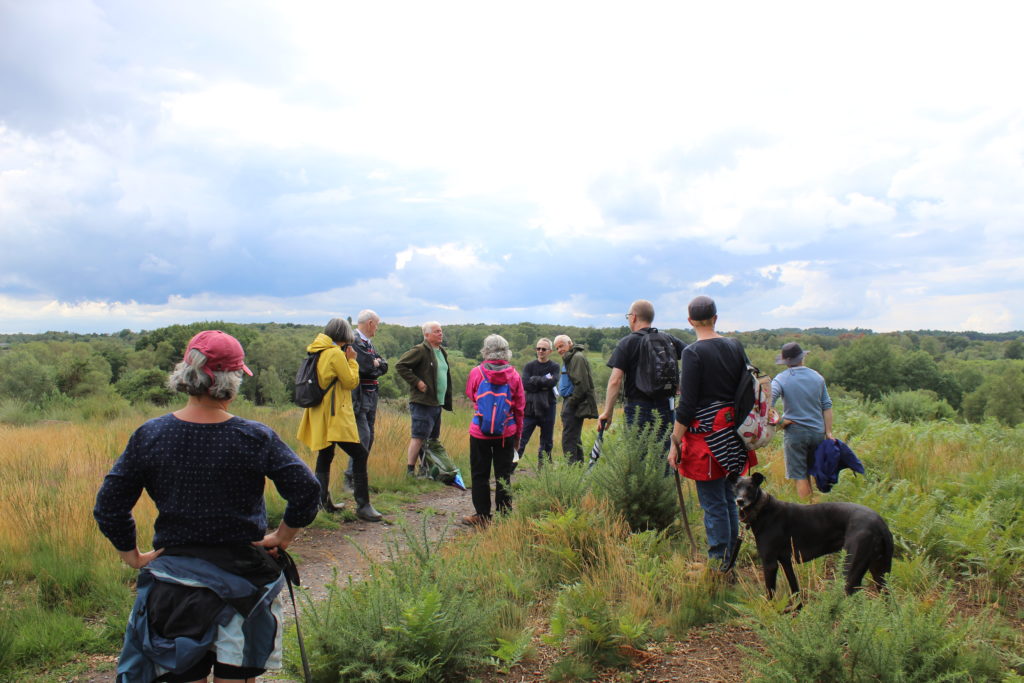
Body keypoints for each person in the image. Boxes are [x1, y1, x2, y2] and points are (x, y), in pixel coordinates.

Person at [94, 330, 321, 683]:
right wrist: (282, 536)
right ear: (231, 381)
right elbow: (306, 489)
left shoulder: (150, 434)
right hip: (243, 584)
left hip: (173, 586)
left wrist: (132, 555)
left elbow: (109, 505)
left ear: (187, 375)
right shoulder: (254, 436)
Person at [667, 296, 757, 567]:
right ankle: (727, 560)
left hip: (706, 437)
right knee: (729, 498)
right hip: (734, 432)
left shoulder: (692, 353)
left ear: (690, 321)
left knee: (713, 503)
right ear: (716, 318)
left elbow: (688, 404)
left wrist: (675, 443)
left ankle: (719, 564)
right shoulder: (735, 346)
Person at [297, 318, 383, 522]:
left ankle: (322, 502)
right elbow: (351, 381)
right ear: (343, 334)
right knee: (360, 454)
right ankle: (364, 505)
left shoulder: (318, 350)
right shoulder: (335, 353)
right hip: (335, 414)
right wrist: (352, 360)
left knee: (325, 454)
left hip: (321, 412)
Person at [463, 334, 526, 527]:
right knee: (503, 475)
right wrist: (517, 437)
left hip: (479, 432)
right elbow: (519, 408)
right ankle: (504, 516)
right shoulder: (514, 375)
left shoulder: (476, 372)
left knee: (479, 474)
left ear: (486, 350)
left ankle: (482, 516)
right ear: (506, 351)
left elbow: (472, 395)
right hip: (505, 433)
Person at [599, 299, 685, 435]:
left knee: (638, 453)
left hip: (638, 409)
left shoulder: (627, 342)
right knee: (664, 452)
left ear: (633, 317)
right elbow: (692, 356)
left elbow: (615, 381)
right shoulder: (668, 339)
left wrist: (608, 412)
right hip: (666, 407)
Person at [771, 341, 834, 499]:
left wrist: (780, 422)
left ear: (786, 361)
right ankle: (821, 510)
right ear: (802, 358)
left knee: (800, 476)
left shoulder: (781, 379)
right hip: (818, 431)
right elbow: (826, 405)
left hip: (795, 432)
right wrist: (829, 432)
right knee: (816, 472)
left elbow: (766, 403)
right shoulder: (817, 377)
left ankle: (807, 513)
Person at [396, 321, 453, 476]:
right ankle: (410, 471)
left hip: (436, 402)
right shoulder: (420, 350)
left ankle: (426, 470)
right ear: (426, 335)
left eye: (441, 331)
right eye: (436, 331)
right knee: (419, 437)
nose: (440, 333)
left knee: (432, 439)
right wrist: (417, 382)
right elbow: (400, 365)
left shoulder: (441, 351)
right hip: (422, 402)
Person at [343, 309, 389, 491]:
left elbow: (382, 365)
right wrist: (374, 362)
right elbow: (366, 366)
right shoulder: (354, 340)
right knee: (363, 437)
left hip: (370, 394)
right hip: (359, 395)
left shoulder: (367, 343)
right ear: (370, 323)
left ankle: (358, 480)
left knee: (369, 437)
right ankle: (350, 479)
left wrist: (376, 363)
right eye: (376, 324)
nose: (377, 328)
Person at [553, 334, 598, 465]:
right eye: (557, 348)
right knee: (574, 437)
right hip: (570, 401)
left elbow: (582, 384)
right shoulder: (570, 358)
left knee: (568, 439)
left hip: (574, 403)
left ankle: (571, 470)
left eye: (561, 346)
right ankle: (578, 468)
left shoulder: (577, 358)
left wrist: (571, 403)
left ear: (570, 343)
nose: (560, 350)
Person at [517, 337, 559, 468]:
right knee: (521, 439)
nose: (540, 351)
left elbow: (553, 382)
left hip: (548, 408)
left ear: (550, 351)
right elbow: (525, 384)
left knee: (546, 441)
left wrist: (534, 380)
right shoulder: (529, 366)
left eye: (543, 349)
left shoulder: (554, 366)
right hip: (530, 408)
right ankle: (508, 470)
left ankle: (544, 470)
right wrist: (543, 383)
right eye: (538, 348)